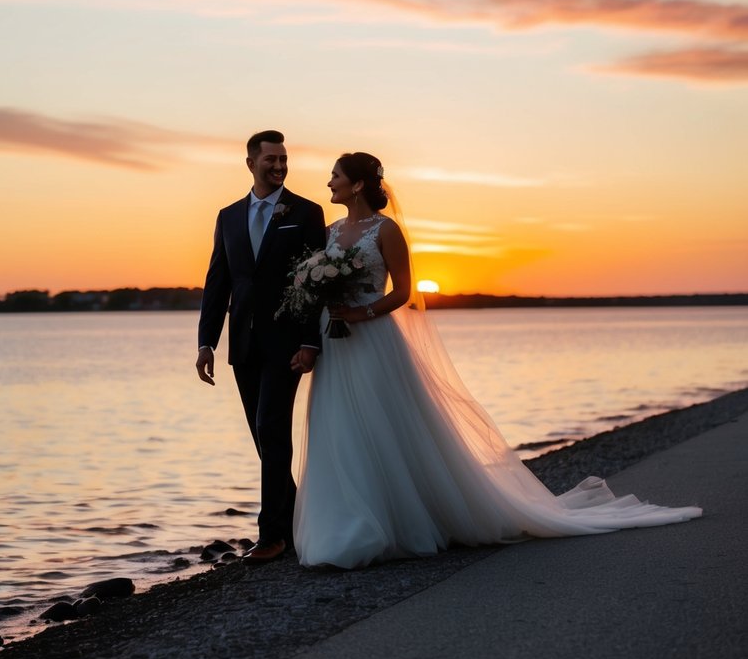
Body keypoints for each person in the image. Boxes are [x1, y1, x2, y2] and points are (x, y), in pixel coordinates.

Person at [293, 151, 702, 569]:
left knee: (384, 424)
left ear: (358, 184)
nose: (329, 182)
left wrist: (363, 313)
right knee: (338, 426)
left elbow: (404, 292)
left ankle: (398, 522)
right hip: (336, 339)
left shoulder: (386, 229)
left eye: (336, 175)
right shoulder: (330, 231)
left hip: (374, 337)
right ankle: (343, 524)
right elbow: (316, 285)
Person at [197, 130, 326, 562]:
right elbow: (218, 281)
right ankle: (295, 519)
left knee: (272, 430)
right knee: (261, 435)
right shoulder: (228, 216)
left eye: (283, 159)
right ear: (250, 162)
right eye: (270, 158)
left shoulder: (306, 212)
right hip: (242, 344)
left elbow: (314, 284)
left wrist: (310, 341)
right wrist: (206, 343)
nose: (278, 165)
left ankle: (270, 536)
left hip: (287, 342)